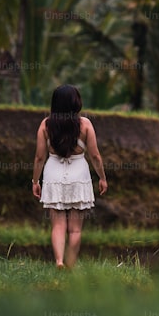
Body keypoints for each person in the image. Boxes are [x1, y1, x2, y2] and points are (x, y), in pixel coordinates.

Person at [31, 85, 107, 268]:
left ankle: (58, 261)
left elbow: (40, 157)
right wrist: (102, 177)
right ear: (76, 102)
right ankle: (70, 265)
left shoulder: (45, 125)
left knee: (57, 225)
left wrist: (35, 181)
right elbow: (95, 156)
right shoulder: (85, 124)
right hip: (78, 174)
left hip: (53, 173)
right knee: (75, 229)